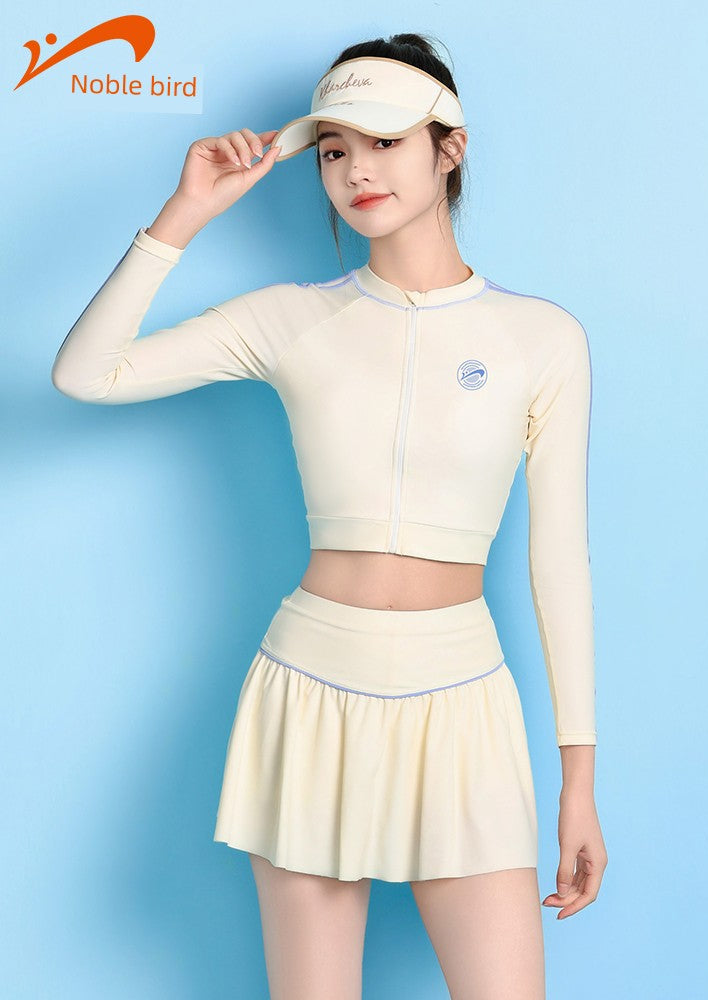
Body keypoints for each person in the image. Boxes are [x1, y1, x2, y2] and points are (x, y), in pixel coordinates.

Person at [51, 31, 607, 1000]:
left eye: (385, 142)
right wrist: (185, 213)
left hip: (462, 698)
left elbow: (560, 560)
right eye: (335, 150)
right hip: (311, 688)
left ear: (450, 147)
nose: (356, 171)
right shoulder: (290, 317)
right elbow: (84, 373)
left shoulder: (541, 337)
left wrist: (579, 785)